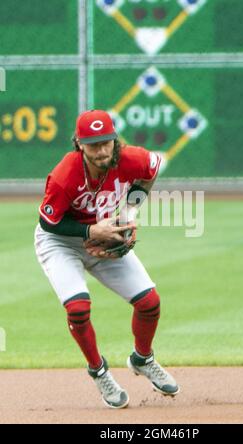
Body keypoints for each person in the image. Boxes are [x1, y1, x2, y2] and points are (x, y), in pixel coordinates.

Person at [34, 109, 179, 409]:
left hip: (104, 233)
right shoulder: (65, 175)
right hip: (60, 241)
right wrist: (89, 230)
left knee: (149, 303)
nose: (100, 150)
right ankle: (99, 371)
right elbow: (49, 222)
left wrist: (127, 215)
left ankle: (143, 358)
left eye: (106, 142)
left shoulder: (132, 159)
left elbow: (150, 173)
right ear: (79, 144)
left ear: (115, 140)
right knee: (78, 308)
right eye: (92, 144)